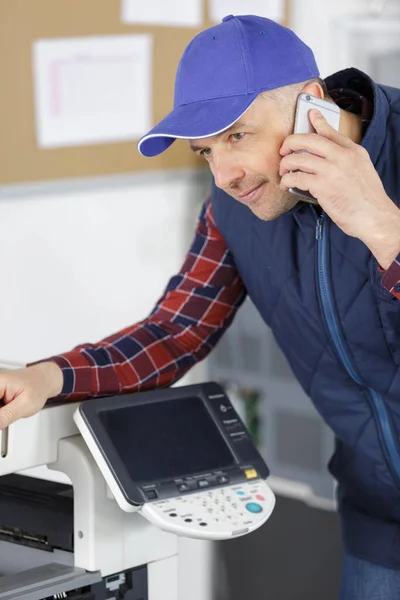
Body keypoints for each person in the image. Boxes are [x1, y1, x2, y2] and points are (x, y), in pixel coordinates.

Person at [1, 13, 400, 599]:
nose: (228, 174)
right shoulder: (235, 204)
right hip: (380, 524)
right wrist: (44, 378)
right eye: (206, 151)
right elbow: (176, 332)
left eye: (237, 135)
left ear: (311, 105)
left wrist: (382, 228)